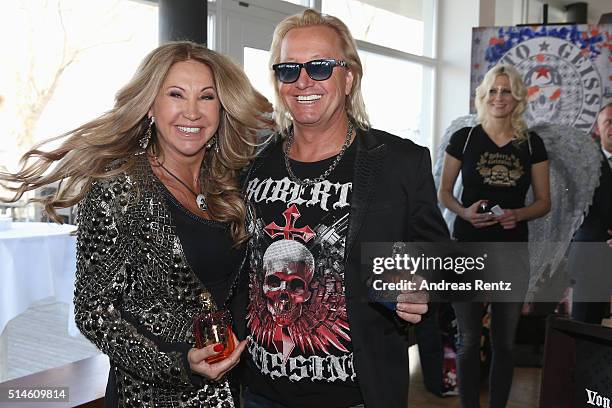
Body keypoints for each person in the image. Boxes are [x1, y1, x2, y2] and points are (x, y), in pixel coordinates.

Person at [0, 41, 272, 407]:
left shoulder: (229, 181)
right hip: (153, 396)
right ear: (149, 106)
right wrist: (179, 365)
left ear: (222, 109)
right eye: (176, 94)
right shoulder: (119, 189)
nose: (191, 112)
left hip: (235, 391)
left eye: (206, 98)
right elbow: (94, 313)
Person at [238, 9, 450, 408]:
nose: (303, 81)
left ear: (348, 77)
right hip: (259, 392)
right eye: (289, 69)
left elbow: (440, 256)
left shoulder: (400, 162)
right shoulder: (249, 163)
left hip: (357, 394)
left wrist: (424, 287)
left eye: (319, 67)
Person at [438, 64, 550, 408]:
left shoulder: (531, 144)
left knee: (505, 342)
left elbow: (544, 202)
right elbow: (444, 192)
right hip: (466, 247)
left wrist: (518, 213)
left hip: (511, 252)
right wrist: (464, 211)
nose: (499, 97)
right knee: (469, 339)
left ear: (518, 97)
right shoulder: (464, 138)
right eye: (493, 90)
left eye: (506, 90)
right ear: (483, 96)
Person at [569, 101, 612, 324]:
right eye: (609, 122)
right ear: (598, 127)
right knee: (585, 326)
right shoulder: (583, 161)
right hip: (591, 254)